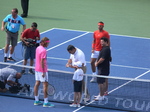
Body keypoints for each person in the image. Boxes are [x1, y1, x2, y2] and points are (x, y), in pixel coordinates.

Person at [34, 37, 54, 107]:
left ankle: (36, 100)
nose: (48, 44)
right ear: (45, 42)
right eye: (48, 43)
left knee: (37, 83)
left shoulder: (38, 48)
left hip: (36, 69)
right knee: (45, 85)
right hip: (42, 70)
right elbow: (42, 61)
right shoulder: (44, 51)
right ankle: (45, 102)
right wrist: (43, 72)